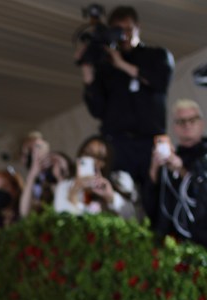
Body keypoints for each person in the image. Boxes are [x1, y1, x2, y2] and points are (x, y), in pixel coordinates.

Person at [77, 5, 173, 185]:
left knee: (154, 191)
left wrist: (122, 65)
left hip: (150, 142)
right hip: (117, 142)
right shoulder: (106, 68)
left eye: (129, 29)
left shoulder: (156, 55)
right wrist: (87, 71)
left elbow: (160, 82)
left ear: (138, 27)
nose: (124, 36)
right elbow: (97, 110)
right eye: (119, 31)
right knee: (118, 192)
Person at [144, 99, 207, 246]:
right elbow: (151, 205)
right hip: (173, 242)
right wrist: (154, 168)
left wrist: (181, 170)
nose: (187, 125)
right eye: (181, 121)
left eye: (192, 119)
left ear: (201, 123)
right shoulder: (168, 158)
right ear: (174, 127)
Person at [54, 135, 137, 219]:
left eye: (99, 157)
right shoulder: (64, 186)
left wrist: (111, 197)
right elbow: (62, 222)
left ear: (105, 163)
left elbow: (132, 217)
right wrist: (73, 194)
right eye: (88, 153)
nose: (93, 160)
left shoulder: (119, 180)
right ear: (80, 155)